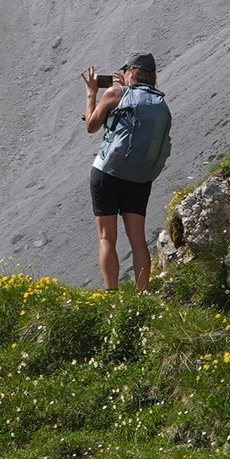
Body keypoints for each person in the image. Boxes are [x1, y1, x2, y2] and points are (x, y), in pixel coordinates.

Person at [83, 54, 172, 289]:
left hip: (108, 173)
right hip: (140, 176)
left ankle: (111, 293)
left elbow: (91, 126)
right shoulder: (159, 102)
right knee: (138, 239)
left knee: (107, 238)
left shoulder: (114, 94)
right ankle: (142, 294)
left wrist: (92, 92)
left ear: (131, 72)